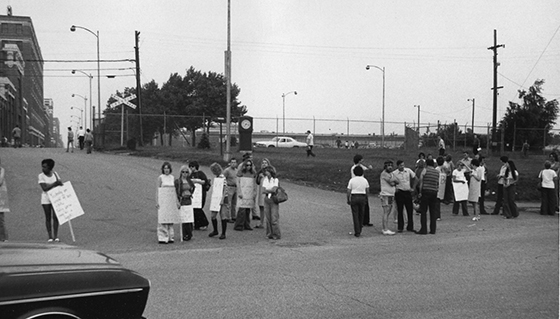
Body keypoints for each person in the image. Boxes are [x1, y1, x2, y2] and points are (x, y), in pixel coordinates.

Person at [38, 158, 63, 242]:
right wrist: (55, 183)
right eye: (42, 167)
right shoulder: (41, 176)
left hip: (55, 197)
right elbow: (44, 188)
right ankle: (50, 236)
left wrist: (60, 184)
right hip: (46, 198)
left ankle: (56, 235)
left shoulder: (55, 174)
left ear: (50, 168)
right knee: (48, 217)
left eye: (45, 167)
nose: (43, 169)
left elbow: (60, 184)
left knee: (55, 217)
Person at [156, 162, 178, 244]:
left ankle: (170, 236)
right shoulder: (160, 178)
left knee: (170, 218)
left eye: (167, 168)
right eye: (165, 168)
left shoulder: (172, 178)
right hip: (163, 199)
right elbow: (157, 190)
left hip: (170, 199)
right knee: (163, 218)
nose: (166, 170)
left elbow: (174, 190)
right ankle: (162, 237)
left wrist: (176, 201)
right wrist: (157, 201)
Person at [416, 158, 439, 234]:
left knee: (423, 211)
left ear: (426, 164)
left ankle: (424, 229)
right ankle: (433, 229)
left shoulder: (425, 170)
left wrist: (420, 192)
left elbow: (421, 181)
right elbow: (437, 183)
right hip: (434, 192)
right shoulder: (437, 172)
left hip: (426, 191)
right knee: (433, 211)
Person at [234, 159, 257, 231]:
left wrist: (254, 192)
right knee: (242, 209)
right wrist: (239, 192)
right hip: (242, 192)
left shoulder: (253, 174)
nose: (248, 167)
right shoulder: (241, 173)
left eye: (250, 165)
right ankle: (239, 225)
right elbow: (238, 183)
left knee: (248, 209)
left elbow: (255, 184)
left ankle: (247, 224)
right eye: (247, 165)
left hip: (249, 192)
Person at [208, 163, 229, 239]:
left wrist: (222, 199)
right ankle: (215, 230)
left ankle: (223, 233)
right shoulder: (216, 178)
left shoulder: (222, 178)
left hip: (223, 198)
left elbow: (225, 189)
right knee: (213, 216)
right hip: (216, 198)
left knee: (223, 216)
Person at [351, 154, 373, 226]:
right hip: (358, 187)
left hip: (362, 186)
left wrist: (369, 168)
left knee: (366, 206)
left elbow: (366, 169)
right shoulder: (354, 168)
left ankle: (366, 221)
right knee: (360, 207)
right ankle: (361, 221)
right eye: (361, 160)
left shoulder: (361, 166)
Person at [394, 160, 416, 232]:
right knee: (400, 210)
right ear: (397, 166)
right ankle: (400, 227)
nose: (402, 167)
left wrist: (413, 187)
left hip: (407, 191)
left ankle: (410, 226)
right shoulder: (395, 173)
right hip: (400, 192)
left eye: (403, 165)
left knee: (409, 210)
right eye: (400, 165)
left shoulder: (408, 170)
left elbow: (415, 178)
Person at [347, 166, 369, 237]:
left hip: (354, 196)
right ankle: (360, 227)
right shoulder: (364, 180)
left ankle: (357, 231)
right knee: (361, 213)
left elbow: (348, 190)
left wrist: (348, 198)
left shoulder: (352, 180)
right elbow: (367, 190)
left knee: (355, 214)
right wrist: (366, 198)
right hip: (362, 196)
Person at [176, 165, 196, 240]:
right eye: (183, 172)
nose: (185, 173)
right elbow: (176, 191)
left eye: (186, 172)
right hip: (182, 199)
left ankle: (189, 233)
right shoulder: (178, 181)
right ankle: (185, 234)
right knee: (184, 218)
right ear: (181, 172)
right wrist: (178, 199)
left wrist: (190, 193)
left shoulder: (189, 181)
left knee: (189, 217)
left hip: (188, 199)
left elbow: (193, 187)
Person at [188, 161, 210, 230]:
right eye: (190, 167)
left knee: (198, 208)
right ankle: (197, 224)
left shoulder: (200, 173)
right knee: (193, 209)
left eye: (193, 167)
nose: (192, 168)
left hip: (200, 193)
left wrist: (196, 181)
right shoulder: (190, 174)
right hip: (193, 193)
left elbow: (204, 181)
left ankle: (204, 223)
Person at [261, 166, 281, 240]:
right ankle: (269, 233)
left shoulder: (275, 180)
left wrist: (268, 190)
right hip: (267, 198)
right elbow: (263, 190)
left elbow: (274, 189)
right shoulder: (265, 180)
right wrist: (269, 190)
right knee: (268, 217)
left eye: (267, 171)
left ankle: (276, 234)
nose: (266, 173)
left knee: (274, 218)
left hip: (273, 199)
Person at [379, 160, 398, 235]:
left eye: (391, 165)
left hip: (391, 194)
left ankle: (385, 227)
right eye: (388, 165)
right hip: (386, 194)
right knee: (386, 211)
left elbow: (397, 181)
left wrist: (394, 181)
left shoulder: (392, 174)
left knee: (389, 210)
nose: (390, 167)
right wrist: (394, 181)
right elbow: (391, 182)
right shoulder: (384, 174)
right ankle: (385, 228)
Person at [255, 158, 274, 228]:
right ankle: (261, 222)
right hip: (261, 191)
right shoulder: (260, 172)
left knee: (268, 208)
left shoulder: (271, 172)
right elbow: (257, 182)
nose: (264, 164)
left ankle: (270, 223)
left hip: (268, 192)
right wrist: (259, 177)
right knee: (261, 207)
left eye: (265, 163)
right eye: (263, 163)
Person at [223, 158, 238, 222]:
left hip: (236, 187)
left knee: (234, 203)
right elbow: (223, 179)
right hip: (229, 187)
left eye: (234, 162)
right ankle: (227, 217)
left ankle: (233, 216)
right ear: (230, 163)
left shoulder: (237, 170)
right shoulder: (227, 170)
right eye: (232, 162)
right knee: (228, 203)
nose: (233, 164)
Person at [435, 156, 447, 221]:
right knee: (437, 202)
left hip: (439, 186)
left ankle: (437, 215)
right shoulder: (442, 169)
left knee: (437, 202)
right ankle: (437, 215)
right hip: (441, 186)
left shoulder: (438, 169)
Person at [0, 158, 7, 241]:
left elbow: (0, 181)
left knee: (1, 219)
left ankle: (4, 238)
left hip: (0, 198)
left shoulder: (1, 170)